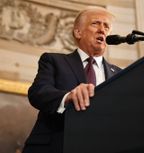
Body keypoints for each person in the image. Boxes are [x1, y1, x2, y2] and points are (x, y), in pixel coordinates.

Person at [22, 6, 121, 153]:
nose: (102, 30)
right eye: (96, 23)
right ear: (78, 32)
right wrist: (68, 97)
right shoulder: (53, 60)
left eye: (106, 26)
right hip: (55, 146)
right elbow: (38, 92)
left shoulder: (119, 74)